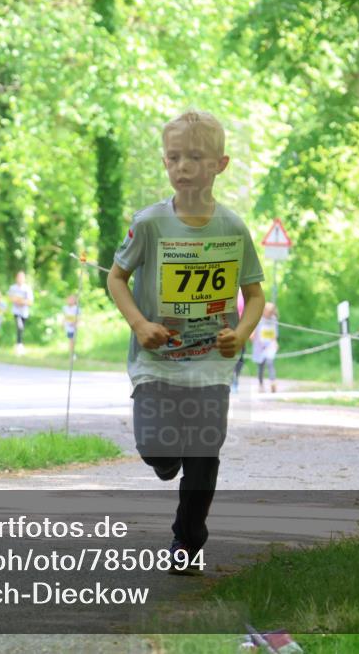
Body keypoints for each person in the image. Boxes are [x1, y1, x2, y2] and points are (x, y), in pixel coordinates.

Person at [107, 110, 266, 573]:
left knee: (203, 456)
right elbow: (117, 279)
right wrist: (139, 324)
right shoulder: (151, 223)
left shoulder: (232, 228)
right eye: (174, 157)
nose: (183, 167)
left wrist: (239, 334)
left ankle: (188, 542)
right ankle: (162, 459)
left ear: (221, 163)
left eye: (195, 157)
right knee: (159, 450)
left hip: (211, 364)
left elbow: (254, 295)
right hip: (157, 363)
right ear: (164, 162)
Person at [252, 302, 279, 393]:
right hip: (259, 346)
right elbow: (254, 330)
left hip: (270, 345)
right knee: (261, 366)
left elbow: (274, 332)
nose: (269, 314)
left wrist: (275, 342)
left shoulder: (273, 319)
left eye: (271, 312)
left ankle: (273, 382)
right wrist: (252, 335)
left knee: (270, 362)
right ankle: (261, 384)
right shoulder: (259, 319)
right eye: (268, 312)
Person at [8, 271, 34, 355]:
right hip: (16, 311)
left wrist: (21, 301)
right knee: (20, 326)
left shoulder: (27, 288)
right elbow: (11, 298)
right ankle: (19, 344)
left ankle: (20, 343)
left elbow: (30, 302)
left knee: (21, 329)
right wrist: (16, 300)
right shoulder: (13, 288)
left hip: (24, 312)